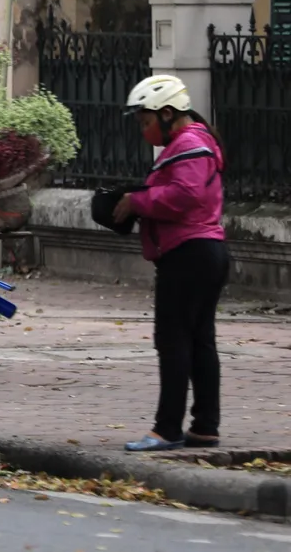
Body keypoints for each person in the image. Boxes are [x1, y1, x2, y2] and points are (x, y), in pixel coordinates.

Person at [113, 75, 229, 452]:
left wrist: (136, 202)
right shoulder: (194, 143)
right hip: (202, 252)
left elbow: (186, 194)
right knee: (198, 341)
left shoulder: (190, 144)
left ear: (167, 113)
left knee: (174, 340)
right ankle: (205, 427)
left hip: (189, 253)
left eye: (145, 122)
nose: (143, 130)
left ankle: (168, 428)